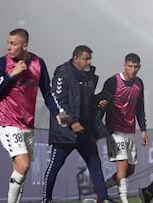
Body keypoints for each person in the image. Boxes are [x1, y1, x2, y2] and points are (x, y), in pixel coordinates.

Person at [0, 28, 58, 203]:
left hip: (28, 124)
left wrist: (56, 113)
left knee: (21, 169)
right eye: (8, 43)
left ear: (25, 46)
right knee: (24, 163)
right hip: (7, 121)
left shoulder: (38, 63)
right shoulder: (1, 63)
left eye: (13, 44)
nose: (8, 47)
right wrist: (11, 75)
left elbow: (47, 92)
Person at [43, 45, 115, 203]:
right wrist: (73, 122)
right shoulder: (62, 73)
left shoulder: (89, 76)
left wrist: (99, 103)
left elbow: (86, 102)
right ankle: (46, 199)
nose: (89, 62)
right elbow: (58, 99)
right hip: (66, 131)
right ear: (76, 59)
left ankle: (103, 198)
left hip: (85, 130)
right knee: (55, 165)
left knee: (95, 163)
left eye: (90, 58)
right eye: (86, 58)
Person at [102, 53, 149, 203]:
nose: (133, 70)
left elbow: (139, 108)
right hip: (115, 130)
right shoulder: (112, 82)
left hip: (130, 130)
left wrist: (143, 129)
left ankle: (102, 188)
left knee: (130, 170)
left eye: (136, 67)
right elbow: (101, 105)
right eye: (130, 66)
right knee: (122, 168)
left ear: (139, 67)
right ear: (124, 65)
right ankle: (124, 200)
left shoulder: (139, 83)